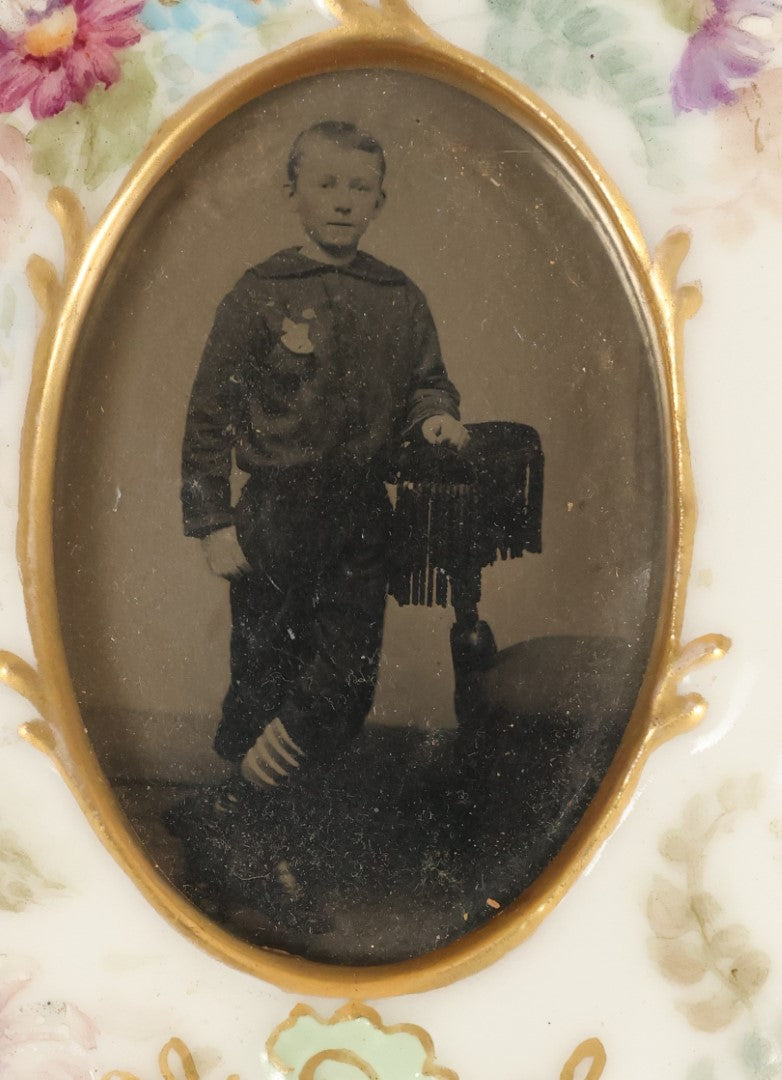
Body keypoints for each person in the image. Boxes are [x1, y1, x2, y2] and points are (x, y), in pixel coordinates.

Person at [181, 119, 469, 808]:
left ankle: (238, 806)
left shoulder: (400, 298)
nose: (344, 200)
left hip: (363, 517)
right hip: (274, 516)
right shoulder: (261, 291)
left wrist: (434, 413)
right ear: (293, 193)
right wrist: (214, 523)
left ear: (380, 202)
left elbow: (429, 379)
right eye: (327, 184)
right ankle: (260, 831)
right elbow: (209, 415)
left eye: (360, 187)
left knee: (345, 677)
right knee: (264, 669)